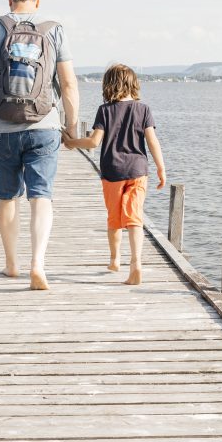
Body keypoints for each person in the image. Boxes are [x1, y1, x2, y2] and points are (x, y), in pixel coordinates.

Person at [0, 0, 79, 291]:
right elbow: (70, 83)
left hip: (3, 126)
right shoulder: (54, 30)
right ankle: (38, 264)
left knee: (8, 197)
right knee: (41, 197)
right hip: (44, 125)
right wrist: (72, 127)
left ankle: (11, 264)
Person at [63, 63, 166, 285]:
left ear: (109, 85)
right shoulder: (144, 109)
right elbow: (152, 141)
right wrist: (161, 167)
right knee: (134, 217)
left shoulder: (105, 110)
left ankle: (115, 259)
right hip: (138, 170)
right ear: (133, 84)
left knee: (114, 218)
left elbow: (93, 141)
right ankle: (136, 263)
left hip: (112, 171)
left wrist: (71, 143)